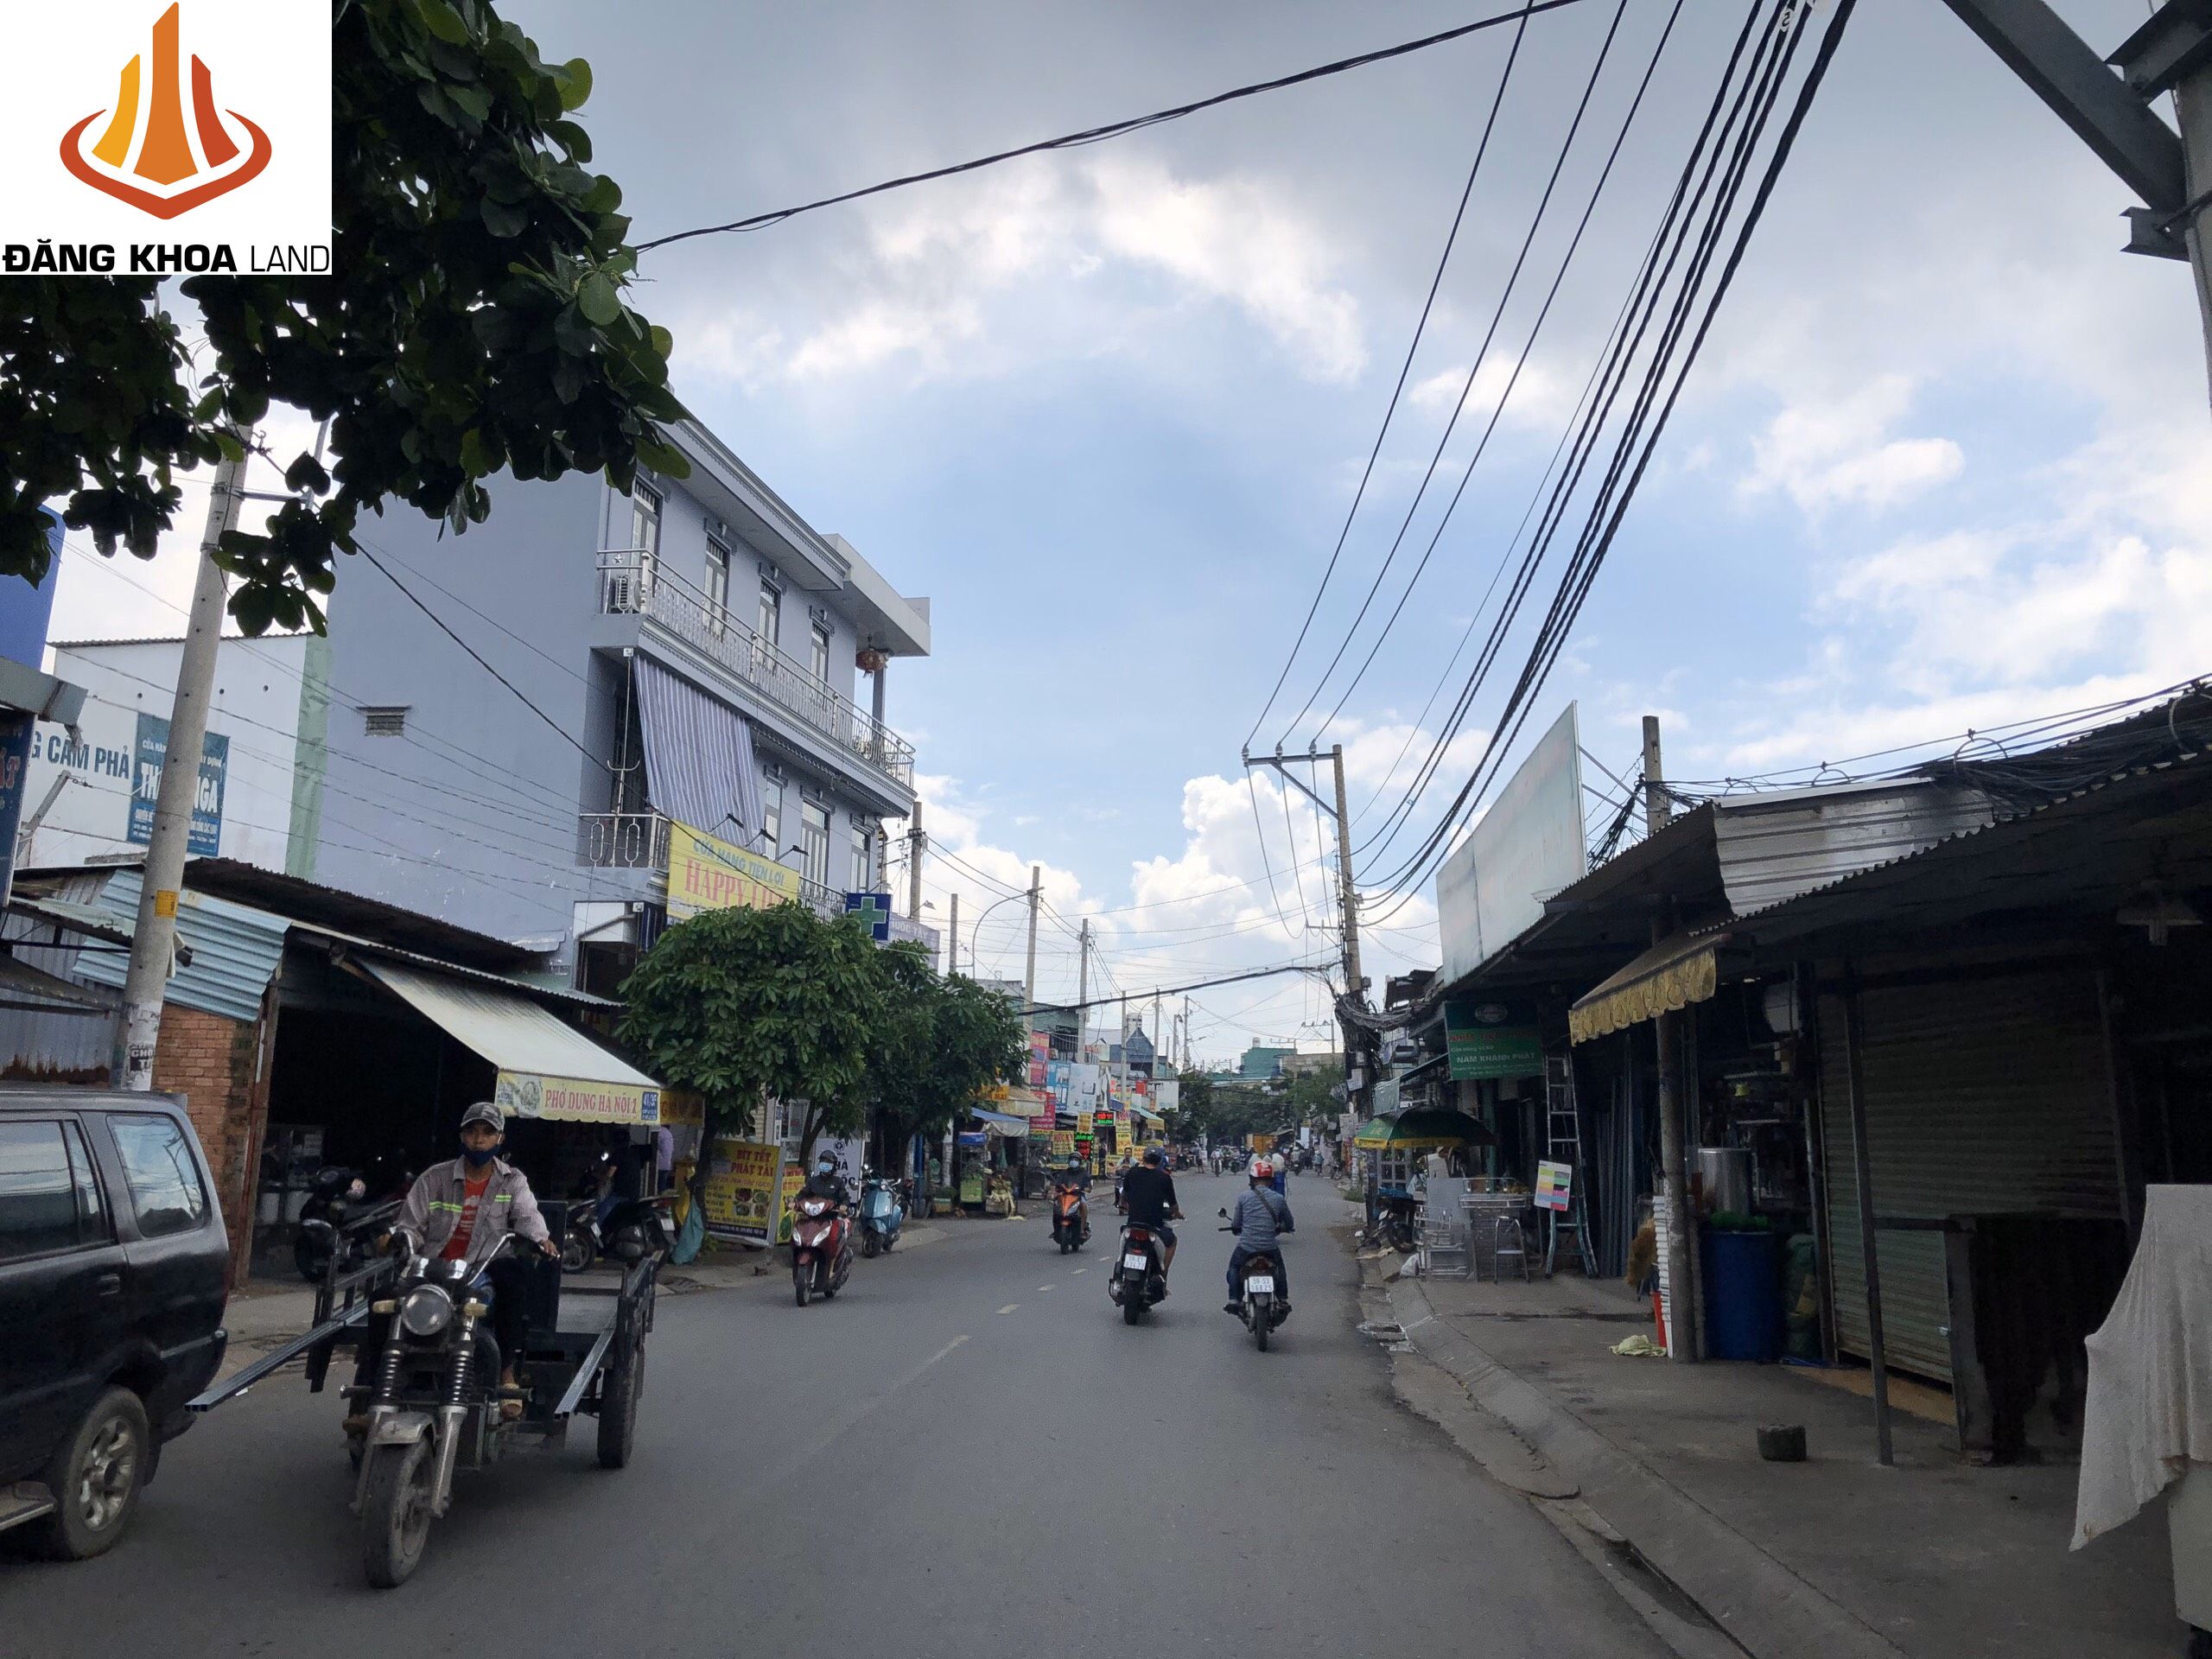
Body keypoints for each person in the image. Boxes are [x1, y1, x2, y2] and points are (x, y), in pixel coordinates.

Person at [391, 1102, 556, 1420]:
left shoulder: (512, 1180)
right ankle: (372, 1390)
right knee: (385, 1301)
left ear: (500, 1139)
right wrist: (400, 1239)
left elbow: (527, 1215)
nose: (479, 1140)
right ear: (462, 1136)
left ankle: (505, 1372)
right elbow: (410, 1225)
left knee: (515, 1285)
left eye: (487, 1133)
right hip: (435, 1265)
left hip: (486, 1264)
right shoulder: (434, 1178)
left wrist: (540, 1239)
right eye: (472, 1132)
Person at [1225, 1157, 1295, 1318]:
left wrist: (1236, 1228)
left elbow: (1236, 1222)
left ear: (1252, 1179)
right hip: (1269, 1247)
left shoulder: (1244, 1197)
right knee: (1280, 1269)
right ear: (1271, 1180)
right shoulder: (1278, 1199)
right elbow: (1289, 1222)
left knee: (1234, 1267)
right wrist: (1286, 1228)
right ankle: (1283, 1298)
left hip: (1246, 1247)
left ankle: (1234, 1299)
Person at [1117, 1144, 1183, 1286]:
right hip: (1154, 1226)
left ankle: (1118, 1271)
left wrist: (1123, 1205)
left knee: (1122, 1247)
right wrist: (1177, 1214)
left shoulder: (1132, 1173)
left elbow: (1124, 1195)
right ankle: (1162, 1275)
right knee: (1172, 1242)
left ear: (1143, 1158)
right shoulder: (1164, 1178)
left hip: (1133, 1223)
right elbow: (1173, 1205)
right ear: (1159, 1161)